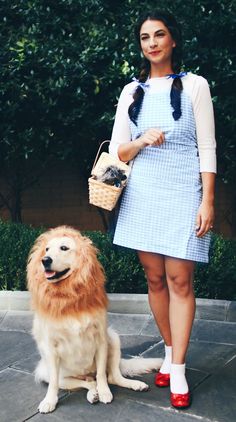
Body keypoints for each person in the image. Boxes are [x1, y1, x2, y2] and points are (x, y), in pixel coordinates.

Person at [109, 10, 216, 409]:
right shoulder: (131, 91)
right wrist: (140, 142)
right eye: (144, 37)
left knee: (180, 281)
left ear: (173, 41)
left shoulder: (195, 86)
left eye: (159, 35)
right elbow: (118, 148)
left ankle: (181, 369)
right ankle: (170, 353)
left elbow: (207, 146)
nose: (151, 43)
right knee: (155, 280)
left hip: (183, 192)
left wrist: (207, 199)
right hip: (143, 194)